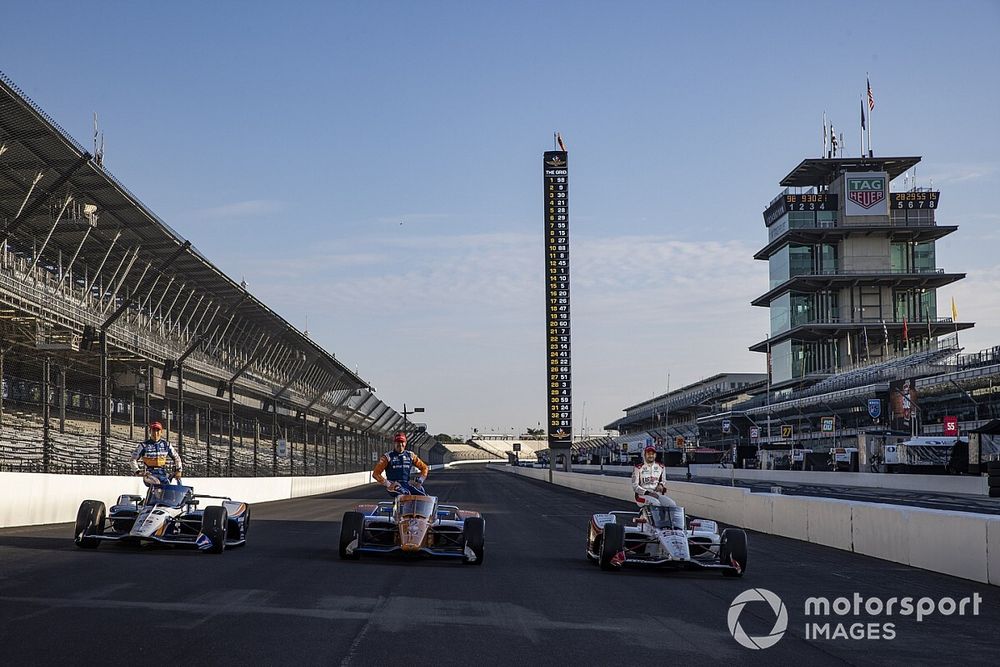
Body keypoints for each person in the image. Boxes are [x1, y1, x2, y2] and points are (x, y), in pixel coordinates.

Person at [372, 432, 429, 497]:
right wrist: (388, 484)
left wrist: (420, 481)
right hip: (394, 486)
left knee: (423, 495)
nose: (400, 444)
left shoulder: (410, 455)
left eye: (402, 442)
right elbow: (375, 474)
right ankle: (401, 505)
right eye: (398, 442)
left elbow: (424, 467)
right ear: (394, 443)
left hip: (406, 484)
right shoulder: (387, 457)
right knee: (405, 494)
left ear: (406, 443)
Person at [130, 421, 183, 487]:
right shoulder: (143, 445)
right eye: (153, 430)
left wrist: (178, 470)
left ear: (161, 432)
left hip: (163, 473)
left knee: (170, 487)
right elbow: (133, 459)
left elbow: (176, 457)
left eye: (157, 430)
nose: (155, 433)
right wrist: (137, 471)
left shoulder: (167, 445)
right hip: (149, 474)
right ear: (150, 432)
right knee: (156, 483)